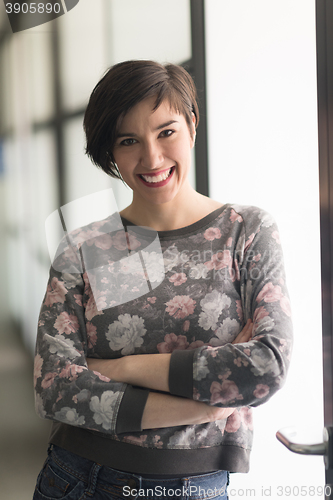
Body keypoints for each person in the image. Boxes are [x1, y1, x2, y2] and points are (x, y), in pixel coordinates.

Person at [33, 60, 293, 500]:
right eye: (128, 140)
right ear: (109, 151)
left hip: (196, 487)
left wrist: (121, 369)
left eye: (165, 131)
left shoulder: (245, 232)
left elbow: (267, 367)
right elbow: (54, 388)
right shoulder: (86, 247)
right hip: (79, 480)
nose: (151, 158)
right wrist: (209, 404)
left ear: (192, 124)